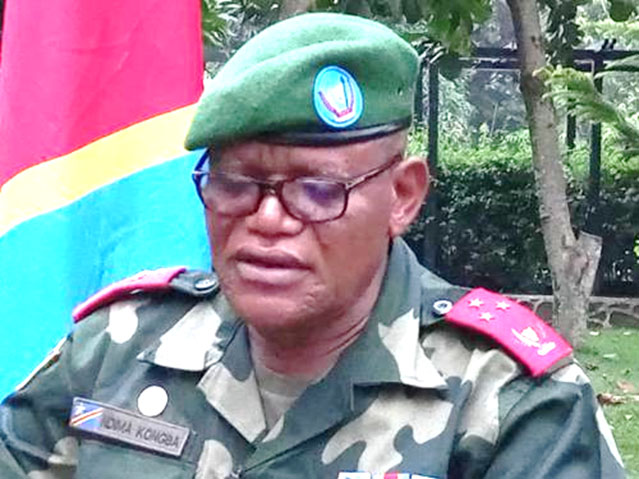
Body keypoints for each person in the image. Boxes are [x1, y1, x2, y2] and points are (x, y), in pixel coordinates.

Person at [0, 13, 625, 479]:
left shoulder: (508, 403)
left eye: (318, 191)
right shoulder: (117, 348)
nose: (268, 219)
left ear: (402, 197)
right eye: (236, 183)